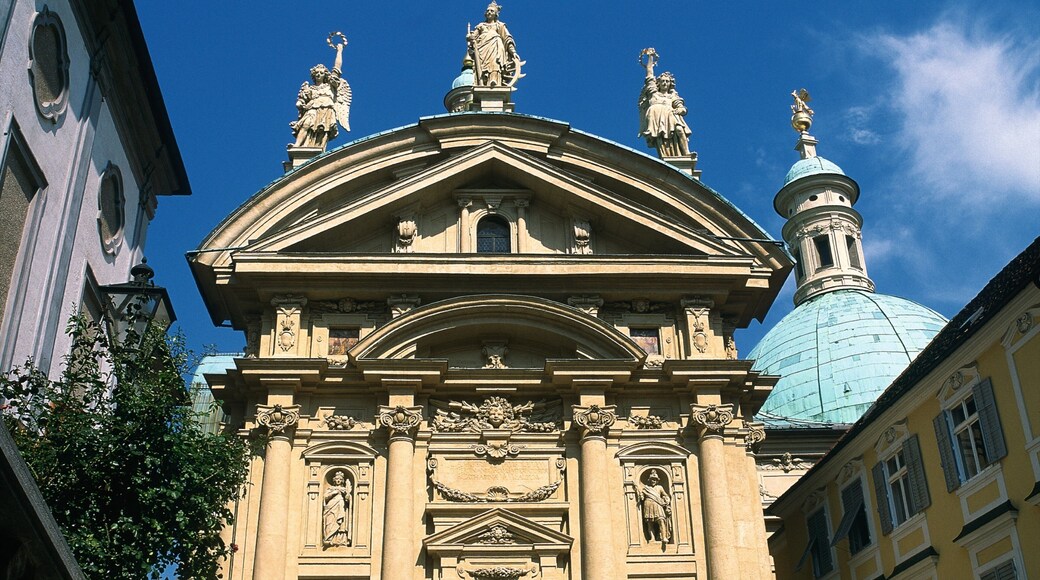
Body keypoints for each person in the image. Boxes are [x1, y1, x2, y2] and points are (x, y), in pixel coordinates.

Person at [291, 35, 351, 150]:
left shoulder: (331, 86)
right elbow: (301, 101)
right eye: (316, 73)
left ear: (325, 75)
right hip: (312, 108)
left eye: (321, 72)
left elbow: (337, 68)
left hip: (327, 108)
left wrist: (339, 51)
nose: (318, 74)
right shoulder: (310, 88)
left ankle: (320, 149)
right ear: (314, 75)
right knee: (306, 124)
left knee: (324, 130)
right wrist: (299, 104)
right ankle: (297, 146)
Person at [638, 50, 691, 158]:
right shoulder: (653, 92)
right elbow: (649, 75)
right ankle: (666, 156)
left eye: (667, 81)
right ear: (658, 83)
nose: (664, 83)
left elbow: (681, 107)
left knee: (680, 130)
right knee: (660, 139)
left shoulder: (672, 96)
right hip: (656, 117)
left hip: (670, 115)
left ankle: (686, 153)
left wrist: (681, 110)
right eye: (662, 81)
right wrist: (650, 59)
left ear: (670, 83)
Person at [467, 2, 520, 87]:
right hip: (482, 49)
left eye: (491, 11)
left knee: (495, 63)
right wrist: (470, 37)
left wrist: (513, 52)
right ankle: (483, 81)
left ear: (496, 14)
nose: (489, 12)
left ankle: (494, 80)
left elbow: (507, 39)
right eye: (488, 11)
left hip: (495, 46)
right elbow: (473, 37)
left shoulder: (500, 25)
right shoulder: (481, 25)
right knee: (482, 66)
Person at [637, 469, 672, 544]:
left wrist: (666, 499)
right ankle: (652, 538)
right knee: (650, 522)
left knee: (661, 520)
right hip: (648, 504)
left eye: (655, 480)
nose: (653, 481)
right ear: (649, 480)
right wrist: (641, 496)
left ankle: (663, 537)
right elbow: (642, 497)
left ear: (657, 481)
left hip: (658, 505)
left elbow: (665, 495)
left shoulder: (659, 487)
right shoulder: (645, 488)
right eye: (652, 479)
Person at [323, 470, 352, 548]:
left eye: (340, 479)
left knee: (341, 523)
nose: (338, 480)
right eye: (337, 479)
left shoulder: (344, 490)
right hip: (331, 507)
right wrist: (333, 493)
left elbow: (349, 500)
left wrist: (347, 495)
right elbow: (325, 497)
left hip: (341, 507)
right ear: (334, 480)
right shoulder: (330, 488)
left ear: (342, 480)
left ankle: (340, 540)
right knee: (330, 522)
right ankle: (329, 538)